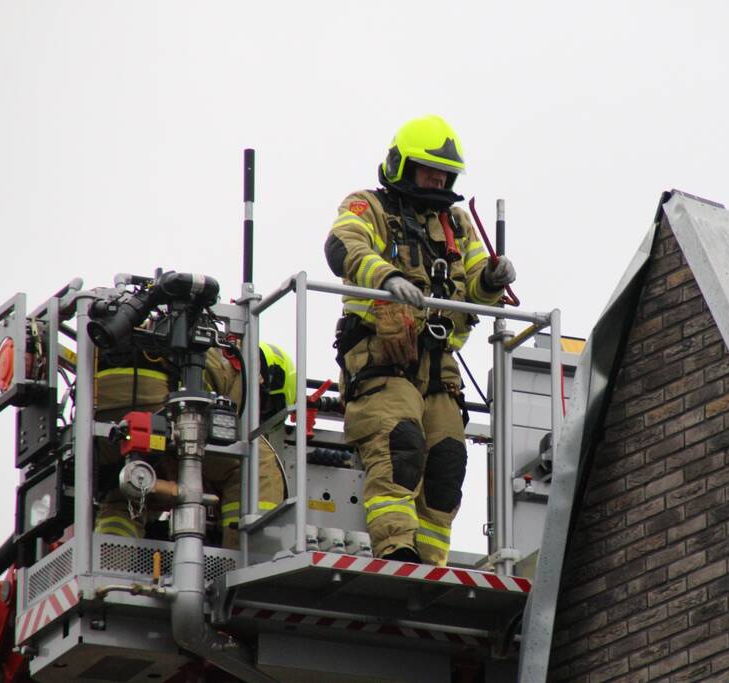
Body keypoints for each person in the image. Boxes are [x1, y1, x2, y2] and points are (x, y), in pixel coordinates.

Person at [325, 115, 515, 565]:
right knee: (399, 445)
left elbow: (473, 292)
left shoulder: (457, 222)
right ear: (401, 165)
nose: (437, 179)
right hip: (382, 359)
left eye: (444, 173)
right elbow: (342, 247)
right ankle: (397, 551)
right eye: (428, 169)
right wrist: (386, 277)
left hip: (440, 365)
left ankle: (432, 565)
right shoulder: (367, 206)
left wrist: (491, 277)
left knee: (447, 463)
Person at [93, 341, 287, 550]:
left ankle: (111, 560)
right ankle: (249, 555)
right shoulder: (247, 365)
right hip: (159, 398)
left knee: (128, 494)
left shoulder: (210, 349)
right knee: (253, 460)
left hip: (101, 411)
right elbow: (225, 429)